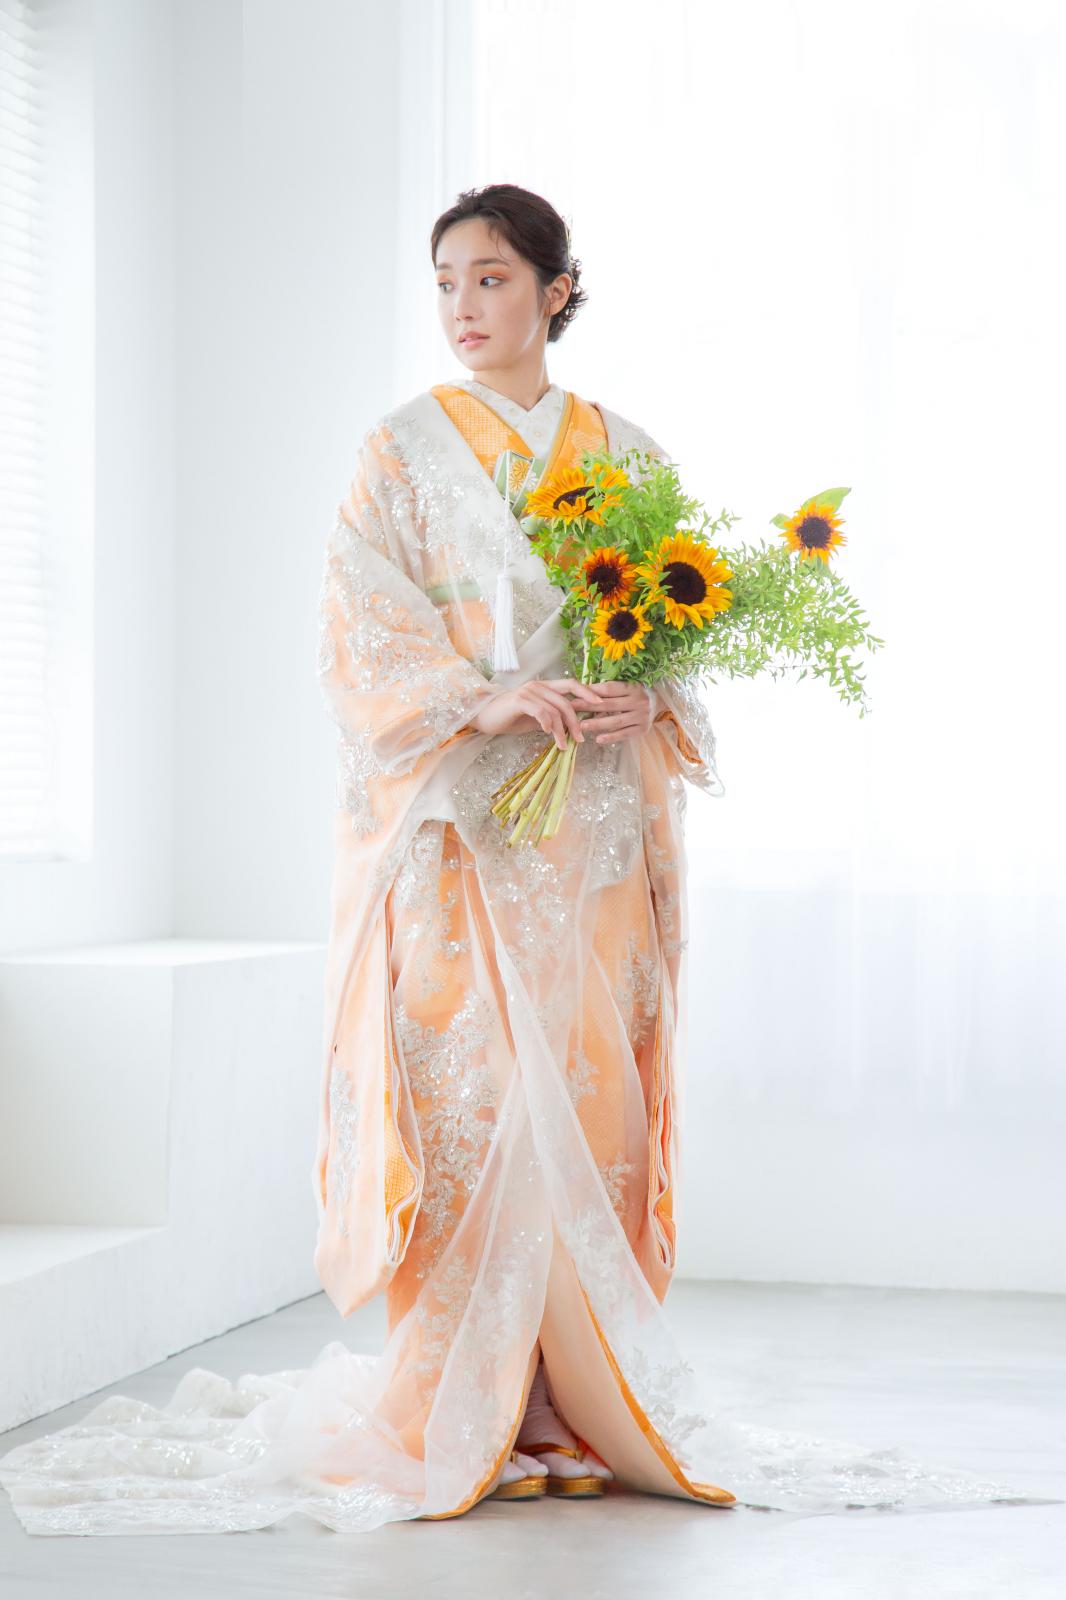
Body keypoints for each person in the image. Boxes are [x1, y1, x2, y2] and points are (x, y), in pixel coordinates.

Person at [0, 184, 1035, 1536]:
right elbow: (356, 631)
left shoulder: (626, 452)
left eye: (490, 279)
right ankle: (463, 1402)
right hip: (460, 828)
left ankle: (568, 1406)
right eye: (444, 282)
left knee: (590, 1105)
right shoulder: (398, 450)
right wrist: (481, 702)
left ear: (556, 290)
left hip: (591, 828)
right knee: (471, 1104)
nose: (462, 307)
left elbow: (674, 632)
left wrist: (643, 699)